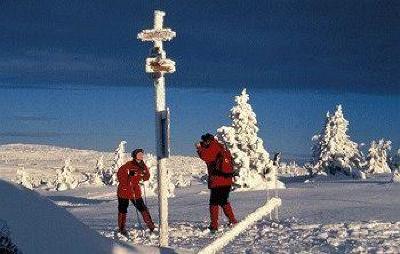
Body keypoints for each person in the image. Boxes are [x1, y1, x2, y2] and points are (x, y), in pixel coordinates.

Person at [196, 133, 238, 232]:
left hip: (218, 180)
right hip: (226, 180)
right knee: (223, 201)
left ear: (208, 141)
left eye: (204, 141)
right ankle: (233, 221)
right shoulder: (220, 146)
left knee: (214, 203)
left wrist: (199, 148)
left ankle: (214, 225)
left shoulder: (213, 147)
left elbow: (206, 156)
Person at [117, 148, 155, 235]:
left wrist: (145, 174)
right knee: (123, 209)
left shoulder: (143, 165)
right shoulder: (128, 165)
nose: (141, 156)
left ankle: (150, 225)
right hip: (124, 190)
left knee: (142, 207)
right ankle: (121, 228)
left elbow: (146, 177)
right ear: (135, 156)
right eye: (139, 154)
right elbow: (120, 175)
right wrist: (129, 176)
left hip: (135, 191)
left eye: (142, 154)